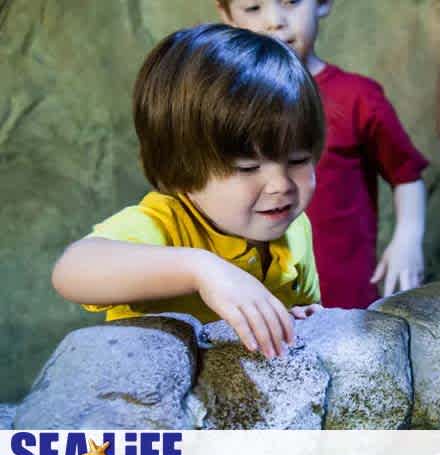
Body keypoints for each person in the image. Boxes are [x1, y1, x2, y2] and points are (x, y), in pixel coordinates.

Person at [51, 24, 325, 360]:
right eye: (247, 168)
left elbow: (307, 305)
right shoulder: (166, 223)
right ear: (182, 170)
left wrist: (309, 317)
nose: (281, 184)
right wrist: (201, 269)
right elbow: (72, 270)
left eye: (298, 160)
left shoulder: (294, 228)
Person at [217, 0, 431, 308]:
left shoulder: (357, 97)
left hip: (345, 303)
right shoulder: (221, 105)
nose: (275, 21)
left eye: (291, 2)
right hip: (255, 305)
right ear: (226, 15)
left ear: (323, 3)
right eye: (253, 8)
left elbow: (407, 175)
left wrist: (407, 239)